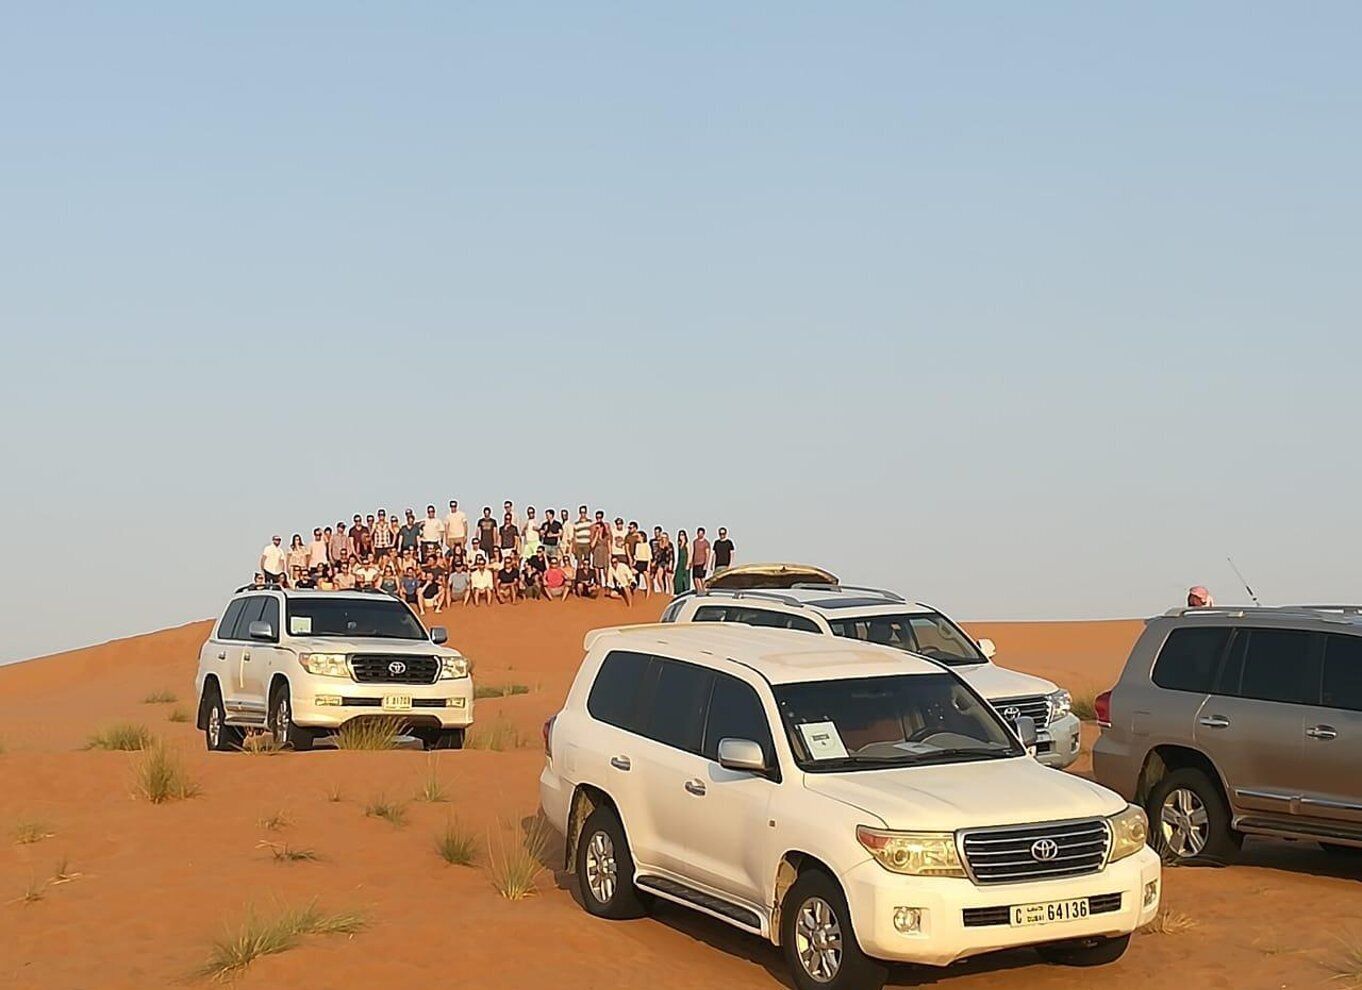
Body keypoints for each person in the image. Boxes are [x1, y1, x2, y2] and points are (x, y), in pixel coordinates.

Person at [631, 523, 652, 596]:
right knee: (632, 573)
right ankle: (634, 586)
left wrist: (649, 566)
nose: (637, 538)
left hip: (645, 562)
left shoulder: (646, 545)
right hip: (638, 562)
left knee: (647, 580)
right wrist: (634, 562)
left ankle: (648, 595)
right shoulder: (637, 545)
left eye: (638, 537)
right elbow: (636, 555)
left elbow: (649, 556)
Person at [653, 529, 674, 593]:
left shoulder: (670, 545)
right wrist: (655, 562)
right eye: (662, 537)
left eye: (665, 537)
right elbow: (657, 555)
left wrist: (670, 564)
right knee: (659, 577)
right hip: (660, 562)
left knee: (669, 578)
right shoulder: (659, 545)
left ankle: (671, 593)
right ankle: (663, 591)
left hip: (667, 562)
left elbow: (671, 556)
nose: (664, 539)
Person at [691, 527, 711, 592]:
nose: (700, 535)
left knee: (702, 578)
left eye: (701, 534)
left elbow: (707, 554)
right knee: (695, 578)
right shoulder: (695, 542)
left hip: (702, 562)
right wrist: (691, 561)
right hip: (695, 562)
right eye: (699, 533)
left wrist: (706, 564)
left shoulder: (706, 543)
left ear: (703, 534)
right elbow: (693, 551)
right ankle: (698, 590)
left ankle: (703, 590)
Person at [674, 529, 691, 594]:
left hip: (685, 561)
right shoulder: (679, 544)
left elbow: (689, 554)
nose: (681, 536)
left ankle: (686, 591)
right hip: (680, 562)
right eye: (680, 535)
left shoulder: (687, 544)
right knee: (678, 578)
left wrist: (688, 563)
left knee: (685, 578)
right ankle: (678, 591)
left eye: (682, 535)